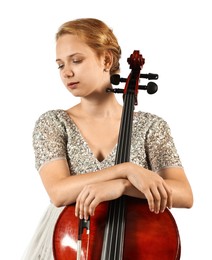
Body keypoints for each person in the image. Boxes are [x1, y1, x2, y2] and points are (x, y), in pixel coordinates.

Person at [22, 18, 193, 259]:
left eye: (77, 60)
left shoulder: (151, 127)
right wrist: (126, 169)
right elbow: (58, 192)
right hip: (73, 244)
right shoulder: (53, 123)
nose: (67, 72)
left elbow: (184, 194)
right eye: (60, 65)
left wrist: (122, 185)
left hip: (134, 245)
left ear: (106, 60)